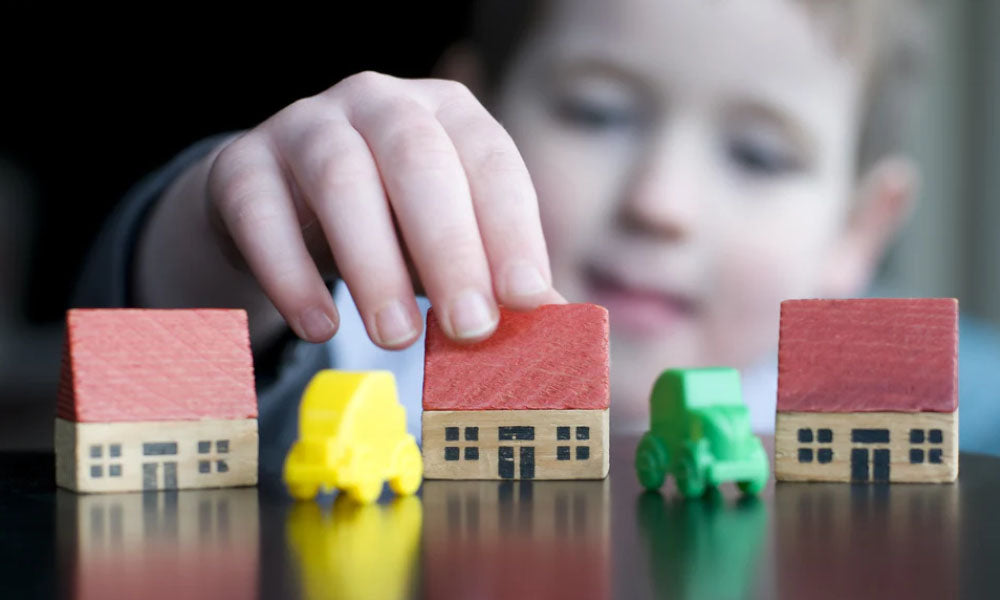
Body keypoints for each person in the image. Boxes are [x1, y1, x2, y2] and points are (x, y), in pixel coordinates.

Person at [76, 0, 1000, 478]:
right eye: (596, 113)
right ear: (462, 117)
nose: (662, 203)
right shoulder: (351, 343)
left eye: (757, 156)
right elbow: (149, 363)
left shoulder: (903, 394)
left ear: (858, 229)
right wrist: (219, 230)